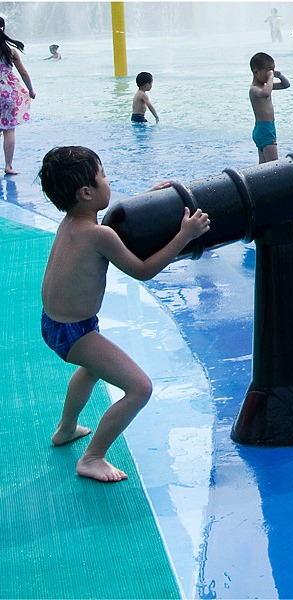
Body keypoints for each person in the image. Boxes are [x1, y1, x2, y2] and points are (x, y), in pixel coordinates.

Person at [39, 146, 210, 482]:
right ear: (86, 193)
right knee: (139, 388)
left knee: (91, 370)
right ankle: (93, 458)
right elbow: (143, 270)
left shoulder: (72, 222)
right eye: (102, 176)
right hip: (76, 332)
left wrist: (146, 199)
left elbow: (110, 220)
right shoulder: (98, 235)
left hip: (54, 322)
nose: (108, 180)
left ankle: (66, 428)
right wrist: (185, 235)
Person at [0, 17, 35, 175]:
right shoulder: (11, 51)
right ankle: (8, 166)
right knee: (8, 130)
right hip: (7, 94)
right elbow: (24, 73)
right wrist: (31, 90)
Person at [249, 52, 290, 164]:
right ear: (256, 72)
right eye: (267, 72)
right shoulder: (255, 89)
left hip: (267, 128)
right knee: (274, 165)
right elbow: (266, 93)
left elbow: (286, 85)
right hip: (264, 130)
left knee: (263, 167)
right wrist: (271, 77)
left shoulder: (264, 86)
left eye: (271, 71)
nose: (269, 75)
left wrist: (280, 76)